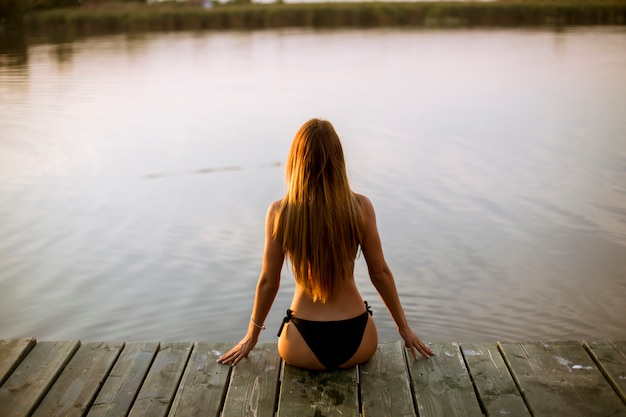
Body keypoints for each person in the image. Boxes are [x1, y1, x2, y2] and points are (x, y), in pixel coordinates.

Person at [217, 118, 434, 370]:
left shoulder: (280, 212)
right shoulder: (360, 207)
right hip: (359, 338)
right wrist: (404, 328)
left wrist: (251, 336)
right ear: (338, 160)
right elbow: (380, 272)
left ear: (296, 162)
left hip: (300, 342)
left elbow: (268, 281)